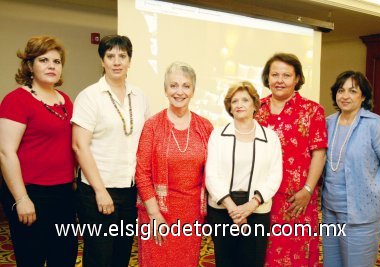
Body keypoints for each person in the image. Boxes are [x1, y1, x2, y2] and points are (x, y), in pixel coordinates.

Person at [71, 35, 150, 267]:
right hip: (97, 191)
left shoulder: (140, 96)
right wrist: (100, 191)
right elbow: (79, 145)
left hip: (129, 191)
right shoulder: (89, 96)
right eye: (110, 56)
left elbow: (145, 141)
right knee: (99, 257)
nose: (117, 62)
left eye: (122, 56)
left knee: (121, 255)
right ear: (102, 61)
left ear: (129, 61)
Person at [0, 36, 77, 267]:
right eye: (44, 60)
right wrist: (22, 199)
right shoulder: (16, 100)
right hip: (30, 193)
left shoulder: (64, 100)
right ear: (30, 65)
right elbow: (5, 152)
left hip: (63, 193)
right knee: (32, 258)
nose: (52, 65)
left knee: (64, 256)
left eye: (57, 61)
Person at [135, 61, 213, 267]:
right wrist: (154, 214)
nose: (180, 92)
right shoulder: (152, 125)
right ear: (165, 89)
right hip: (157, 212)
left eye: (186, 86)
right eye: (174, 85)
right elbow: (142, 172)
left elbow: (213, 171)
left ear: (193, 90)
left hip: (191, 214)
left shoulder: (205, 127)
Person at [254, 52, 328, 266]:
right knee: (261, 253)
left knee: (296, 255)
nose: (279, 80)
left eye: (286, 75)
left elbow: (319, 154)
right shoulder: (256, 109)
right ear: (267, 78)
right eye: (274, 74)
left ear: (297, 79)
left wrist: (307, 190)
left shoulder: (312, 110)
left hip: (297, 199)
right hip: (261, 197)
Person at [322, 71, 380, 267]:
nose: (345, 96)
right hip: (331, 210)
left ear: (363, 96)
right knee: (332, 262)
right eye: (341, 90)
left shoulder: (376, 125)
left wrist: (372, 181)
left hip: (362, 213)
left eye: (352, 91)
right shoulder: (328, 123)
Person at [206, 81, 282, 267]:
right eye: (234, 101)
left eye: (245, 100)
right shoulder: (217, 135)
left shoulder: (270, 137)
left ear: (255, 105)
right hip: (223, 209)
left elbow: (275, 175)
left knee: (253, 261)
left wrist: (250, 205)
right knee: (225, 261)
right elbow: (211, 174)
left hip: (257, 210)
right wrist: (233, 208)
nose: (239, 104)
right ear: (229, 107)